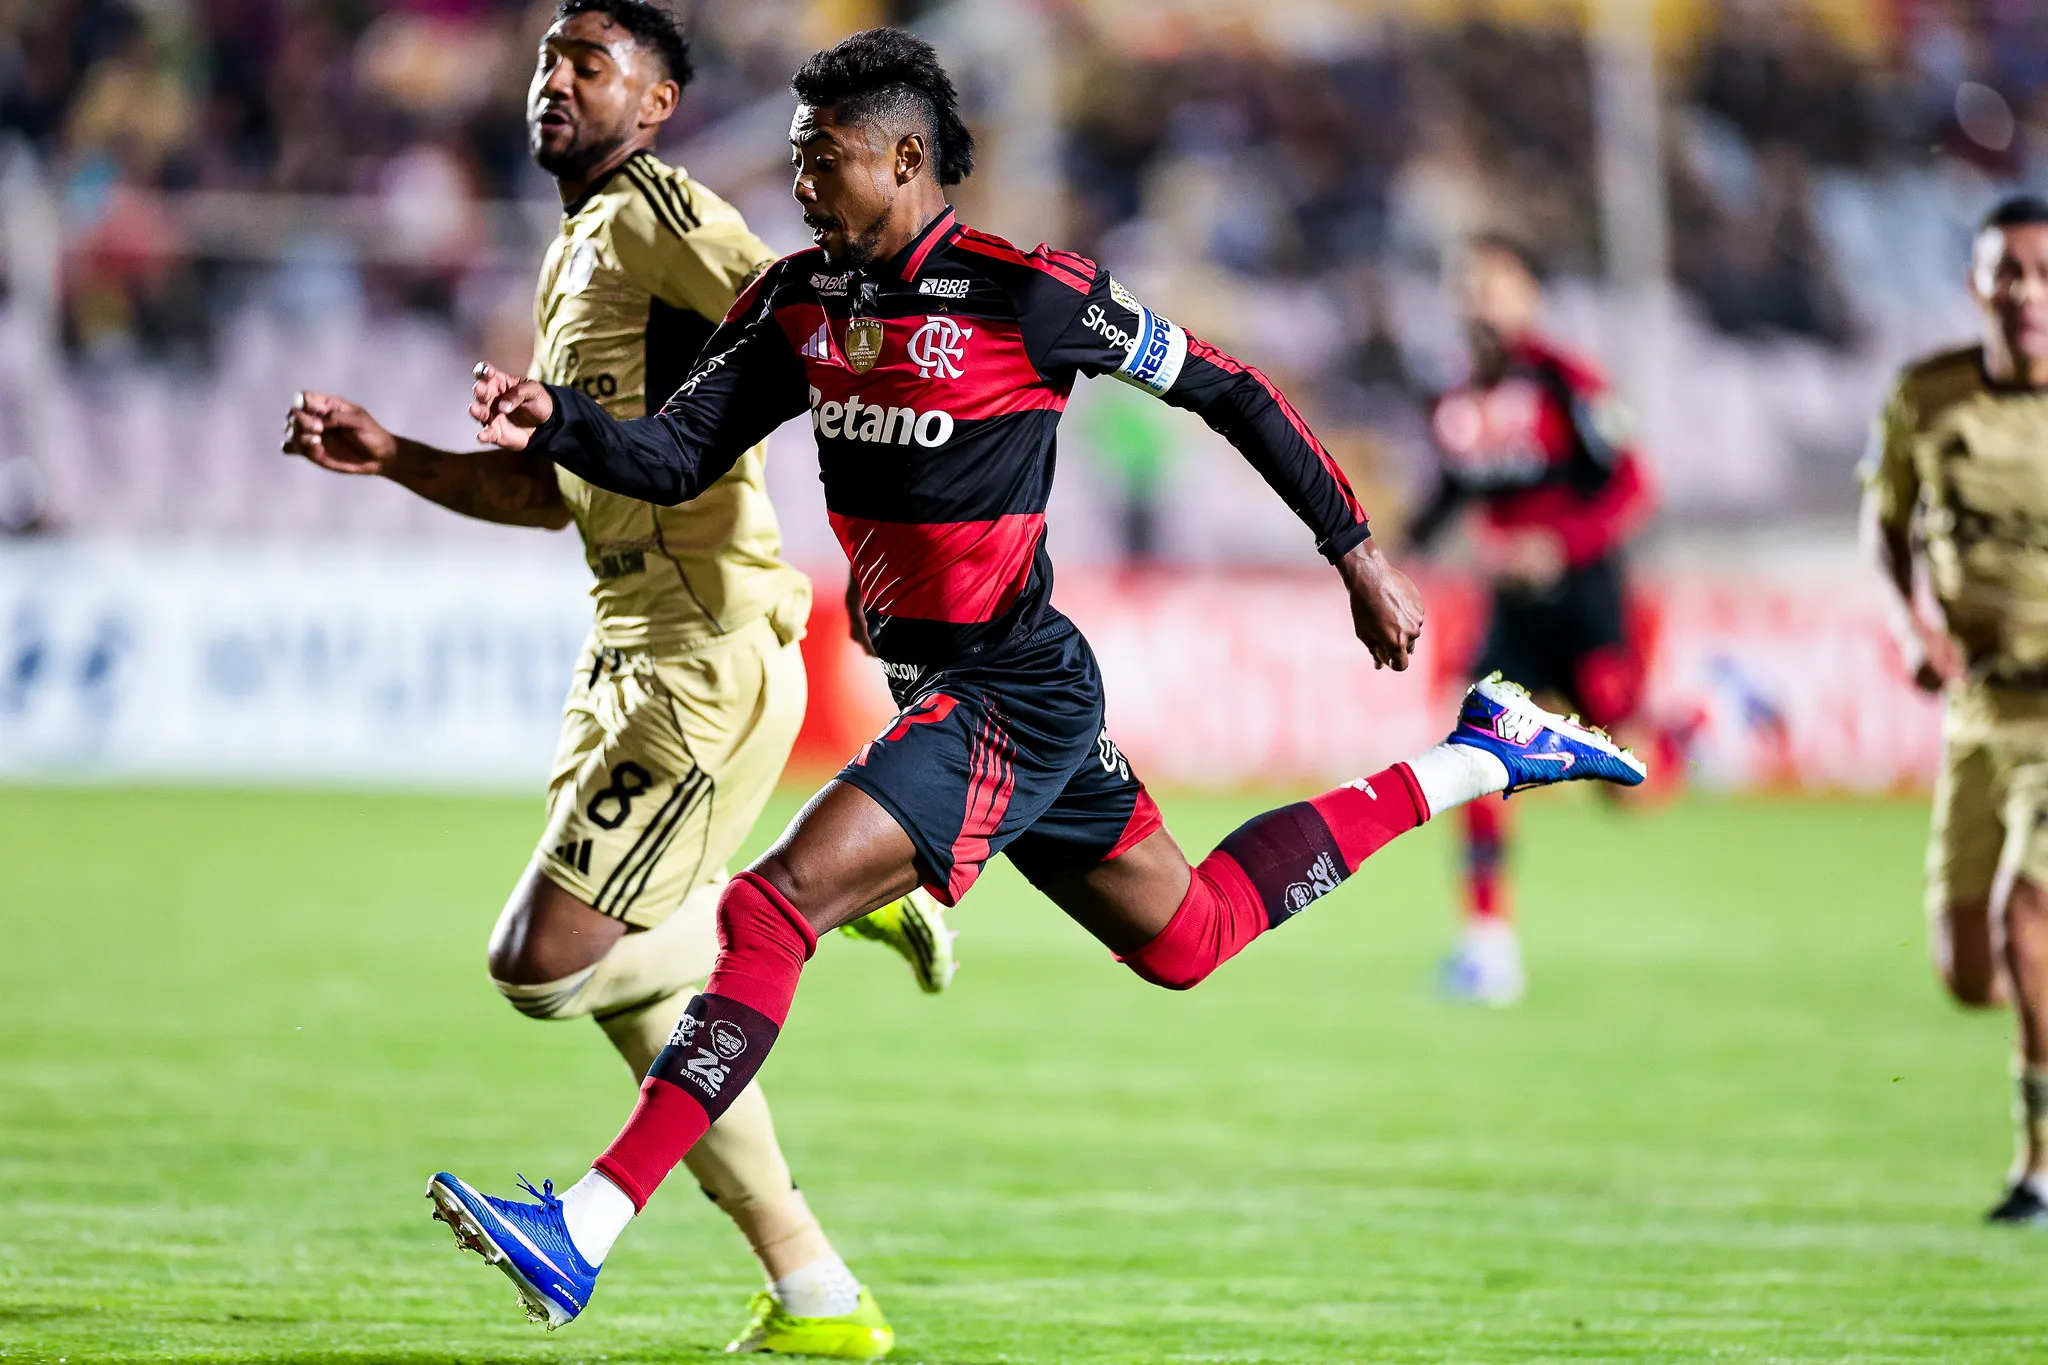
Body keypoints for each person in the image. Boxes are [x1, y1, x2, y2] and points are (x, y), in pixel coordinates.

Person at [426, 27, 1646, 1331]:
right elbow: (673, 456)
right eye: (795, 158)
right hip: (954, 692)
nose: (798, 182)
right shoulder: (796, 303)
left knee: (772, 913)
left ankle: (589, 1222)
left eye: (820, 158)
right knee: (1191, 937)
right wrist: (563, 422)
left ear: (904, 159)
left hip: (1009, 688)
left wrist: (1354, 551)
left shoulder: (1031, 294)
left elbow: (1229, 389)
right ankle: (1482, 752)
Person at [283, 4, 951, 1354]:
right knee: (648, 995)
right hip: (630, 648)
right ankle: (817, 1292)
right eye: (546, 59)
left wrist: (911, 543)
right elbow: (550, 487)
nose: (556, 81)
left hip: (702, 652)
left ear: (656, 104)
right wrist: (398, 454)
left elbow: (813, 323)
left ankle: (810, 898)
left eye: (592, 63)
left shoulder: (659, 209)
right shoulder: (579, 248)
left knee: (539, 966)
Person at [1405, 236, 1657, 1006]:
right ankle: (1488, 946)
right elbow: (1447, 497)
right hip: (1512, 609)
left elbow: (1632, 486)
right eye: (1464, 284)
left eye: (1491, 283)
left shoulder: (1566, 380)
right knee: (1476, 754)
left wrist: (1559, 545)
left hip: (1588, 601)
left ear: (1529, 294)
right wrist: (1379, 551)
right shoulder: (1455, 397)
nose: (1475, 297)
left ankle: (1713, 718)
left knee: (1631, 783)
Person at [1863, 193, 2048, 1226]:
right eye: (2006, 271)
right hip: (1976, 716)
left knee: (2030, 927)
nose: (2025, 291)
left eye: (2042, 271)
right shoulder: (1925, 398)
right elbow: (1880, 523)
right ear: (1976, 284)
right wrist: (1906, 621)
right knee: (1966, 972)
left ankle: (2036, 1171)